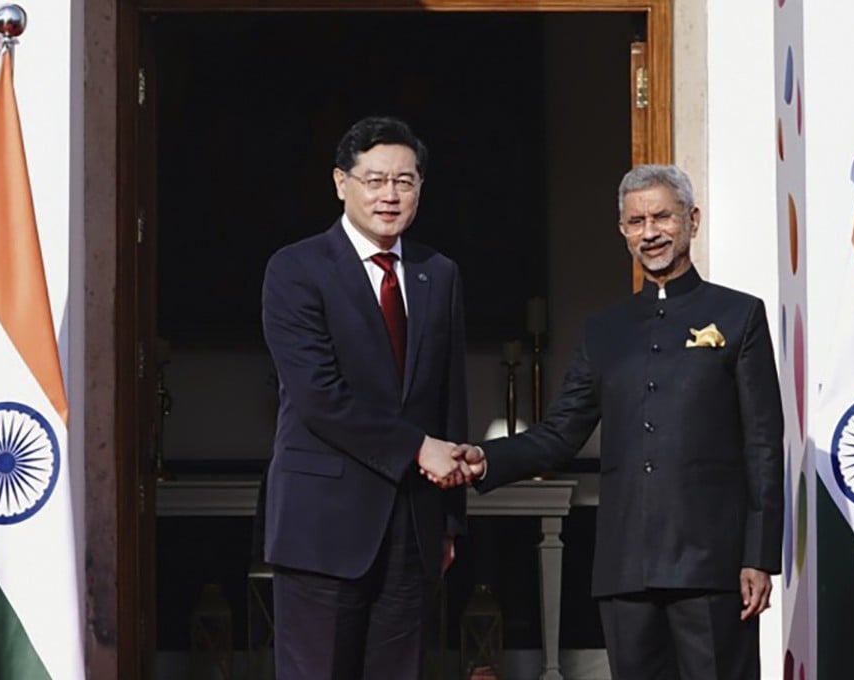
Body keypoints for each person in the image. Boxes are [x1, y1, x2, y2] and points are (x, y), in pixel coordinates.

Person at [448, 164, 784, 679]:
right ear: (623, 231)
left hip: (713, 566)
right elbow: (560, 433)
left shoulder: (740, 316)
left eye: (662, 217)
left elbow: (763, 443)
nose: (650, 232)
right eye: (636, 221)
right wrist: (484, 458)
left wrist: (758, 556)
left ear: (692, 220)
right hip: (625, 567)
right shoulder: (604, 331)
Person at [261, 116, 473, 679]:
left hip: (414, 528)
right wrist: (415, 447)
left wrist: (449, 521)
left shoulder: (438, 272)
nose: (389, 195)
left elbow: (449, 396)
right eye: (375, 179)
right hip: (322, 527)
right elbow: (318, 396)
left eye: (405, 181)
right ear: (341, 183)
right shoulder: (296, 269)